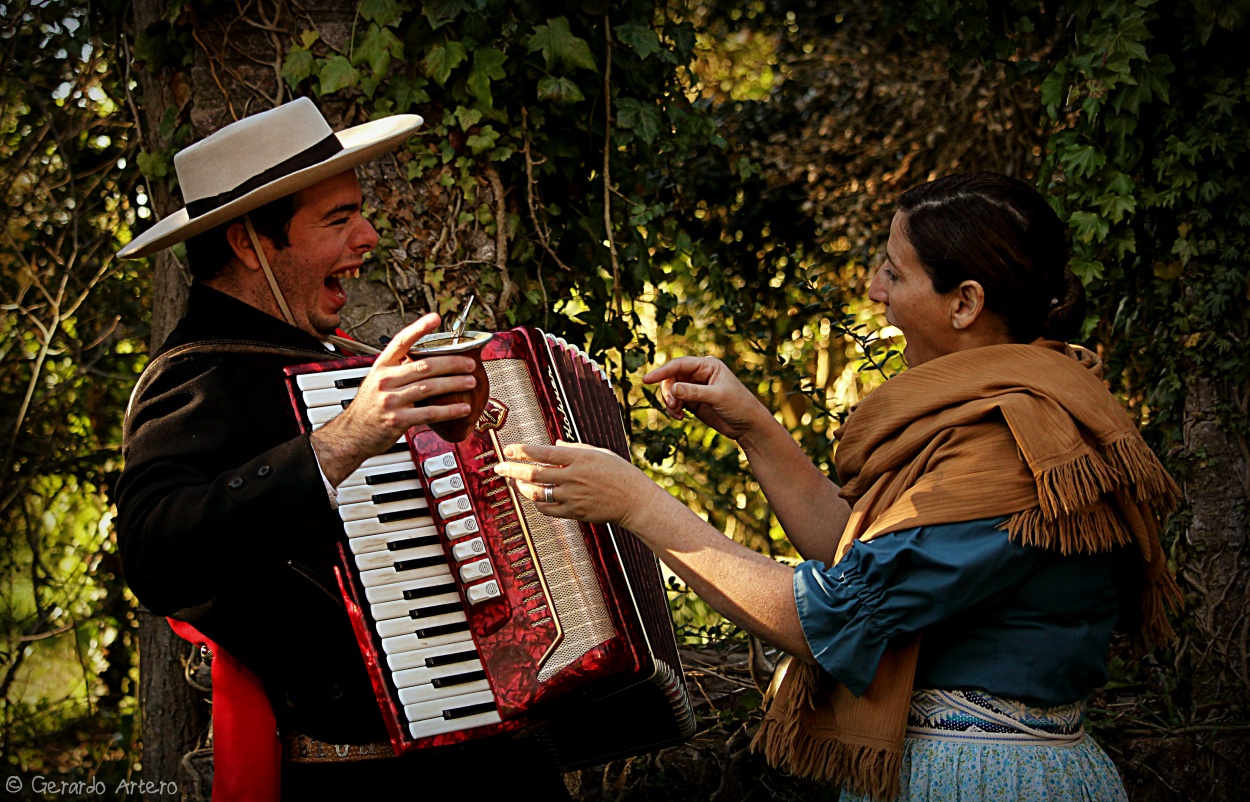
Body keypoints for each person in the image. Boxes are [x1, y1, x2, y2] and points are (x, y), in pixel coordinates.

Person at [493, 172, 1181, 801]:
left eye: (895, 270)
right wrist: (758, 431)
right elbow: (862, 560)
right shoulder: (988, 416)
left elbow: (832, 620)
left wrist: (635, 503)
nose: (876, 289)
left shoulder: (1015, 448)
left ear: (965, 303)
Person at [115, 98, 569, 799]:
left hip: (493, 757)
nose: (369, 236)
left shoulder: (329, 357)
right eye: (339, 219)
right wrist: (339, 442)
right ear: (249, 243)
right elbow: (152, 551)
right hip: (363, 780)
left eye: (359, 211)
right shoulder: (196, 376)